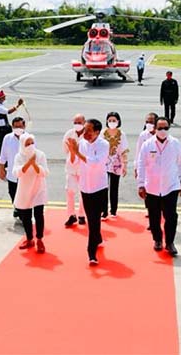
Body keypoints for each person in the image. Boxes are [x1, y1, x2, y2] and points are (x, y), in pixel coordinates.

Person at [137, 117, 181, 255]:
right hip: (151, 187)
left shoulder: (175, 143)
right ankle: (157, 239)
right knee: (154, 216)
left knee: (171, 216)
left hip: (171, 186)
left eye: (166, 128)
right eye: (160, 128)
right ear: (155, 129)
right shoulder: (147, 145)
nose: (163, 131)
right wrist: (141, 184)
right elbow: (141, 165)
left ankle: (170, 242)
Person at [66, 119, 109, 265]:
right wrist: (73, 152)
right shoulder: (82, 143)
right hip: (85, 187)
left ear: (97, 132)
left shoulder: (104, 144)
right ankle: (94, 246)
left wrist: (77, 152)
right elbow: (74, 163)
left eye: (89, 130)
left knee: (95, 218)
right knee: (92, 219)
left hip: (99, 187)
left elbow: (95, 163)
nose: (86, 133)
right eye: (85, 130)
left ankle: (93, 246)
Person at [13, 133, 49, 254]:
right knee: (26, 216)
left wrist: (34, 163)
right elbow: (17, 173)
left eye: (32, 143)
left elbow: (44, 172)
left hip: (38, 188)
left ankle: (39, 239)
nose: (30, 146)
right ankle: (29, 239)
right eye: (27, 144)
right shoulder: (19, 156)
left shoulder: (40, 155)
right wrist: (28, 163)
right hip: (24, 189)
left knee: (39, 214)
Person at [102, 112, 129, 219]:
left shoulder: (121, 134)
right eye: (110, 120)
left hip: (116, 164)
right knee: (103, 188)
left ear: (118, 121)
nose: (112, 122)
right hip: (104, 163)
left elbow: (124, 150)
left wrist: (125, 165)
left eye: (114, 120)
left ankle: (113, 210)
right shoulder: (103, 133)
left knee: (114, 187)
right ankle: (103, 211)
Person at [0, 117, 26, 221]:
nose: (18, 128)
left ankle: (24, 214)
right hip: (12, 173)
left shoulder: (29, 138)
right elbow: (3, 155)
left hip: (25, 174)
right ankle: (17, 208)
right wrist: (1, 169)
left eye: (20, 126)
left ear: (24, 126)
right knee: (12, 192)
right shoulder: (7, 138)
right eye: (15, 126)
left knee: (24, 195)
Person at [0, 90, 23, 174]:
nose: (5, 98)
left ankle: (2, 166)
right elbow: (9, 111)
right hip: (2, 130)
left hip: (0, 129)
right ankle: (0, 167)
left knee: (1, 148)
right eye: (4, 97)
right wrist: (18, 105)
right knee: (1, 148)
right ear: (1, 98)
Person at [134, 112, 159, 223]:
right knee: (147, 191)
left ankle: (158, 210)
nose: (149, 124)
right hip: (146, 168)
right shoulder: (143, 135)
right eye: (147, 122)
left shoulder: (160, 135)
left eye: (151, 122)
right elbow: (138, 152)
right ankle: (150, 211)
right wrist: (136, 168)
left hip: (158, 168)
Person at [62, 114, 86, 226]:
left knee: (83, 193)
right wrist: (72, 154)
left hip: (83, 168)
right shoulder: (69, 134)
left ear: (84, 122)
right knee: (70, 191)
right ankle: (71, 215)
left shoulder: (87, 134)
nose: (77, 125)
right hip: (71, 167)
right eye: (75, 122)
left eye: (79, 122)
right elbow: (65, 149)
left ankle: (82, 215)